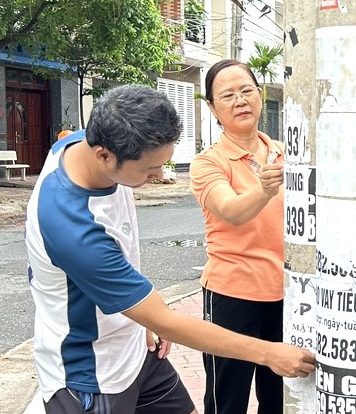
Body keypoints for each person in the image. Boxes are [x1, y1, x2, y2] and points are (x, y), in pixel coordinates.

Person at [25, 85, 313, 414]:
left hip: (137, 348)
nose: (160, 175)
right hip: (92, 373)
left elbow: (150, 310)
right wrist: (269, 354)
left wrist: (140, 315)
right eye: (149, 169)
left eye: (164, 164)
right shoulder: (73, 227)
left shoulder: (80, 141)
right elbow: (166, 320)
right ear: (104, 154)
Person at [189, 60, 286, 414]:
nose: (240, 100)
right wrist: (264, 191)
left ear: (259, 95)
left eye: (246, 90)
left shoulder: (282, 151)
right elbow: (229, 210)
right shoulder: (208, 162)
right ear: (213, 108)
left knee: (279, 397)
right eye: (227, 95)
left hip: (286, 296)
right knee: (227, 400)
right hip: (231, 296)